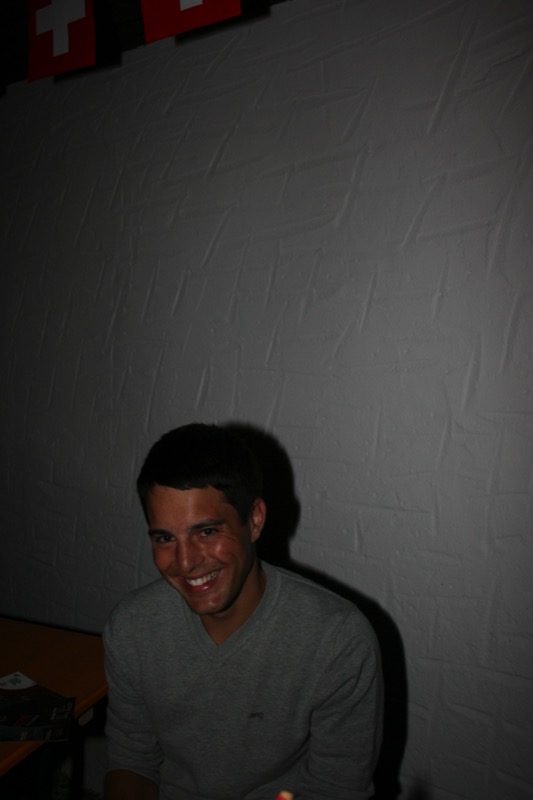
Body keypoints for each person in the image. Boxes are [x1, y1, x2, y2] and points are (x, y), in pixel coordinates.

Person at [103, 423, 383, 800]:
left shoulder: (337, 640)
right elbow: (132, 760)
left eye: (206, 532)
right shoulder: (131, 628)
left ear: (254, 520)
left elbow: (336, 789)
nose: (185, 562)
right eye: (166, 538)